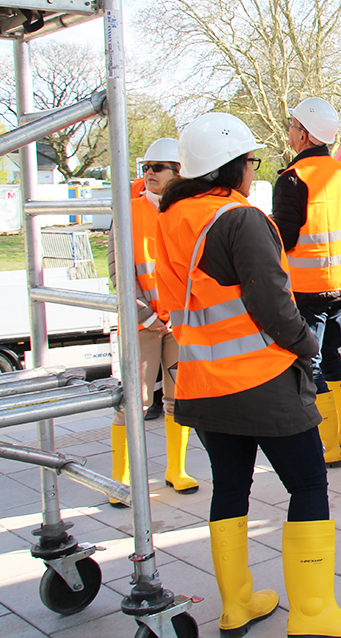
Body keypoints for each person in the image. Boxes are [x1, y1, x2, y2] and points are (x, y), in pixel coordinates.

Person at [158, 112, 341, 638]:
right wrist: (308, 346)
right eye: (251, 162)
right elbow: (274, 307)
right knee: (307, 484)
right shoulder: (240, 219)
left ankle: (237, 605)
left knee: (230, 488)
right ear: (232, 167)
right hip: (262, 379)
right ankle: (312, 613)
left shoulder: (172, 215)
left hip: (202, 381)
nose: (254, 172)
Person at [272, 97, 341, 469]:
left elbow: (286, 237)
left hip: (307, 285)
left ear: (305, 134)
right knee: (332, 356)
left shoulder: (292, 179)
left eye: (294, 127)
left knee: (309, 363)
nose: (291, 133)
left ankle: (328, 447)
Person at [108, 138, 198, 506]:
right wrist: (147, 315)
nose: (147, 174)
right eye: (145, 167)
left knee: (179, 398)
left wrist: (179, 316)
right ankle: (121, 478)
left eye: (156, 167)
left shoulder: (187, 211)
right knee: (135, 399)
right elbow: (119, 272)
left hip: (178, 323)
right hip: (142, 323)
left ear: (179, 173)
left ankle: (176, 470)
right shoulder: (127, 212)